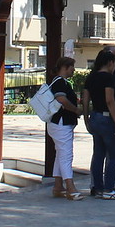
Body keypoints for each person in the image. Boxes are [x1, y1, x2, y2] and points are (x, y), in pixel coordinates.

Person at [83, 47, 115, 200]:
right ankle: (109, 188)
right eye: (114, 63)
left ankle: (98, 187)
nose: (114, 66)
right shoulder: (108, 78)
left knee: (98, 154)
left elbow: (85, 99)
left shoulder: (91, 77)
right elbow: (110, 100)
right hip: (107, 118)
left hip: (95, 116)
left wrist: (86, 118)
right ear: (109, 63)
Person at [43, 56, 83, 200]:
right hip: (61, 123)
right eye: (72, 66)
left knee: (60, 155)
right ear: (65, 67)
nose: (73, 69)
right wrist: (75, 110)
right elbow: (62, 99)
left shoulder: (58, 82)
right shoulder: (60, 83)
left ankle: (58, 186)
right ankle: (70, 188)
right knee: (66, 155)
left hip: (57, 123)